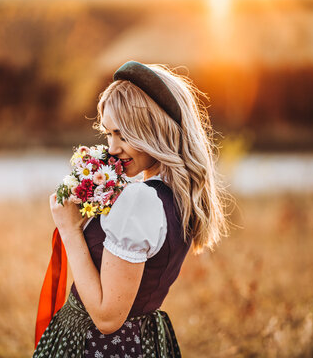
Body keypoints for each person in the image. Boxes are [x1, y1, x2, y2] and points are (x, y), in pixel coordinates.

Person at [34, 61, 230, 357]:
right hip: (141, 339)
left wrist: (69, 229)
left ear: (155, 131)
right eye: (109, 133)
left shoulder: (140, 200)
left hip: (99, 346)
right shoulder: (175, 195)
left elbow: (107, 318)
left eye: (124, 135)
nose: (112, 147)